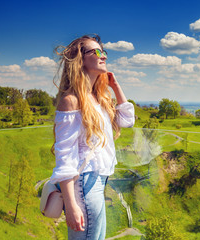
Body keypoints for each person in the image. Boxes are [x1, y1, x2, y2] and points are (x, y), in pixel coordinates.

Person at [50, 34, 135, 239]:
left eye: (103, 51)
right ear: (80, 59)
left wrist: (115, 87)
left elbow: (127, 120)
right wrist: (71, 205)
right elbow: (65, 157)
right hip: (84, 182)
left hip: (99, 179)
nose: (103, 56)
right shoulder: (71, 101)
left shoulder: (98, 98)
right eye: (96, 51)